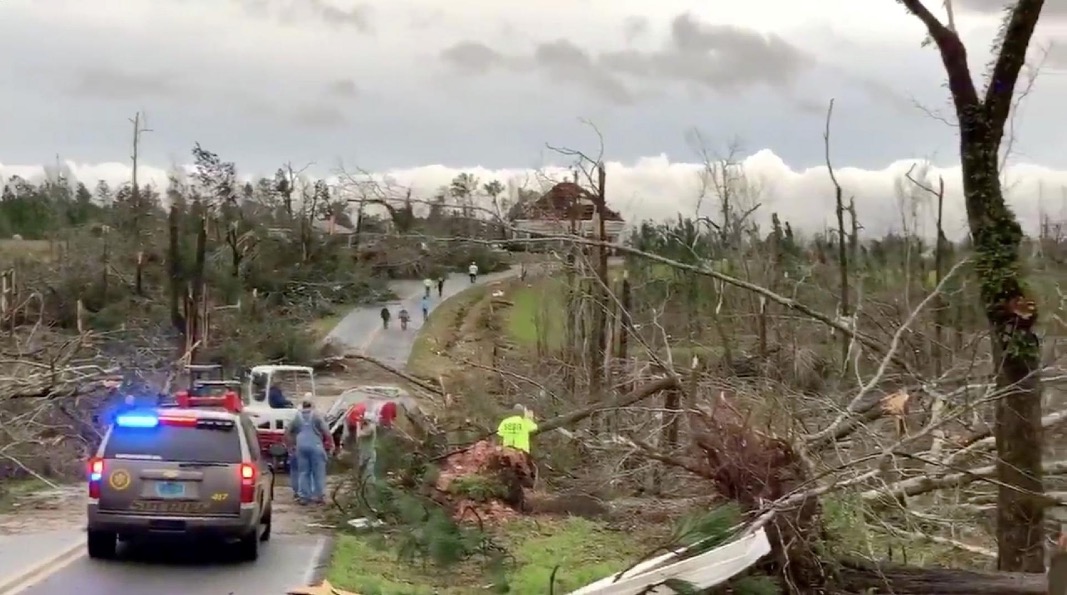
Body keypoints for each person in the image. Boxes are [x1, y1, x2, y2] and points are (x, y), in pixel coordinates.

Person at [285, 397, 335, 505]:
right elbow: (326, 431)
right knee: (318, 471)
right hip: (315, 445)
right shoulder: (316, 416)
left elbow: (288, 431)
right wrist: (331, 444)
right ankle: (319, 496)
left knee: (303, 472)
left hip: (301, 446)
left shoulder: (297, 417)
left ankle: (304, 497)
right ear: (312, 405)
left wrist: (290, 445)